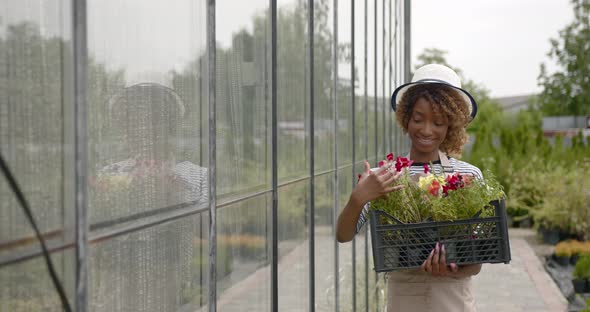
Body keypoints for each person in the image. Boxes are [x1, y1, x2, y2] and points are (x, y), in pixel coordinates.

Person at [336, 64, 484, 312]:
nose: (427, 130)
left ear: (451, 126)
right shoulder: (384, 176)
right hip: (404, 298)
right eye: (418, 119)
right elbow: (343, 235)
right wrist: (358, 198)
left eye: (438, 122)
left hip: (453, 298)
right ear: (406, 118)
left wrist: (451, 264)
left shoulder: (468, 175)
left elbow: (478, 262)